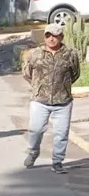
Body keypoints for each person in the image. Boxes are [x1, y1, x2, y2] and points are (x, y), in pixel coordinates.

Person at [23, 23, 81, 173]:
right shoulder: (35, 54)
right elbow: (27, 73)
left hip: (63, 101)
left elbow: (75, 74)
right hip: (40, 101)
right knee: (36, 130)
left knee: (61, 134)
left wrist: (62, 86)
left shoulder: (70, 54)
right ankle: (33, 152)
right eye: (48, 35)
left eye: (55, 36)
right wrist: (38, 86)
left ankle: (57, 162)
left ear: (61, 37)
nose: (51, 39)